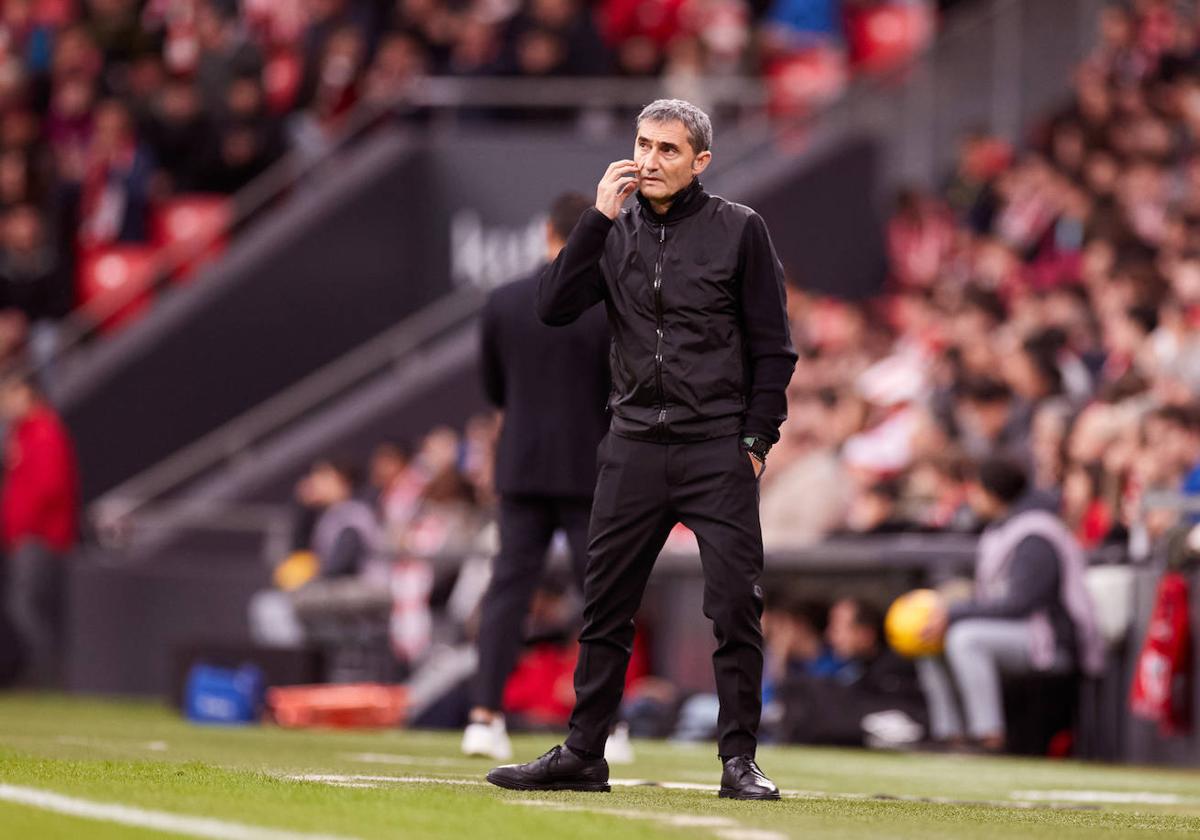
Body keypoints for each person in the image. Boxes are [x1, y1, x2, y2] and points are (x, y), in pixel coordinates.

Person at [486, 99, 797, 800]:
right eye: (643, 145)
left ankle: (738, 760)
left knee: (734, 606)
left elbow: (775, 348)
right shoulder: (612, 231)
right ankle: (584, 751)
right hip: (631, 441)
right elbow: (554, 306)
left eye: (667, 150)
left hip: (715, 444)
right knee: (604, 605)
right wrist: (595, 219)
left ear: (700, 162)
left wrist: (755, 439)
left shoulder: (740, 230)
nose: (650, 161)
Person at [462, 191, 611, 761]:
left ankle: (483, 716)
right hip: (589, 469)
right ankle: (609, 723)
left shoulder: (503, 300)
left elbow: (495, 390)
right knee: (603, 596)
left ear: (547, 231)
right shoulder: (606, 306)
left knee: (507, 591)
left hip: (521, 466)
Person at [916, 457, 1106, 752]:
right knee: (928, 638)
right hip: (1019, 634)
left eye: (977, 490)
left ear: (993, 493)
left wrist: (954, 613)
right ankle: (949, 735)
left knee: (965, 638)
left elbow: (1020, 603)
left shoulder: (1036, 533)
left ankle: (989, 735)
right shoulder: (1001, 529)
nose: (972, 498)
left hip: (1051, 640)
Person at [0, 373, 79, 687]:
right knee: (25, 609)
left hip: (39, 538)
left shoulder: (44, 431)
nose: (5, 403)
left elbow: (49, 487)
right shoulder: (23, 432)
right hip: (25, 536)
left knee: (30, 610)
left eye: (10, 394)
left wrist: (25, 528)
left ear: (29, 394)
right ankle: (38, 677)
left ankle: (43, 680)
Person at [776, 598, 926, 748]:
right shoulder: (855, 668)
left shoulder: (897, 667)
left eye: (837, 629)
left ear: (865, 634)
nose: (830, 636)